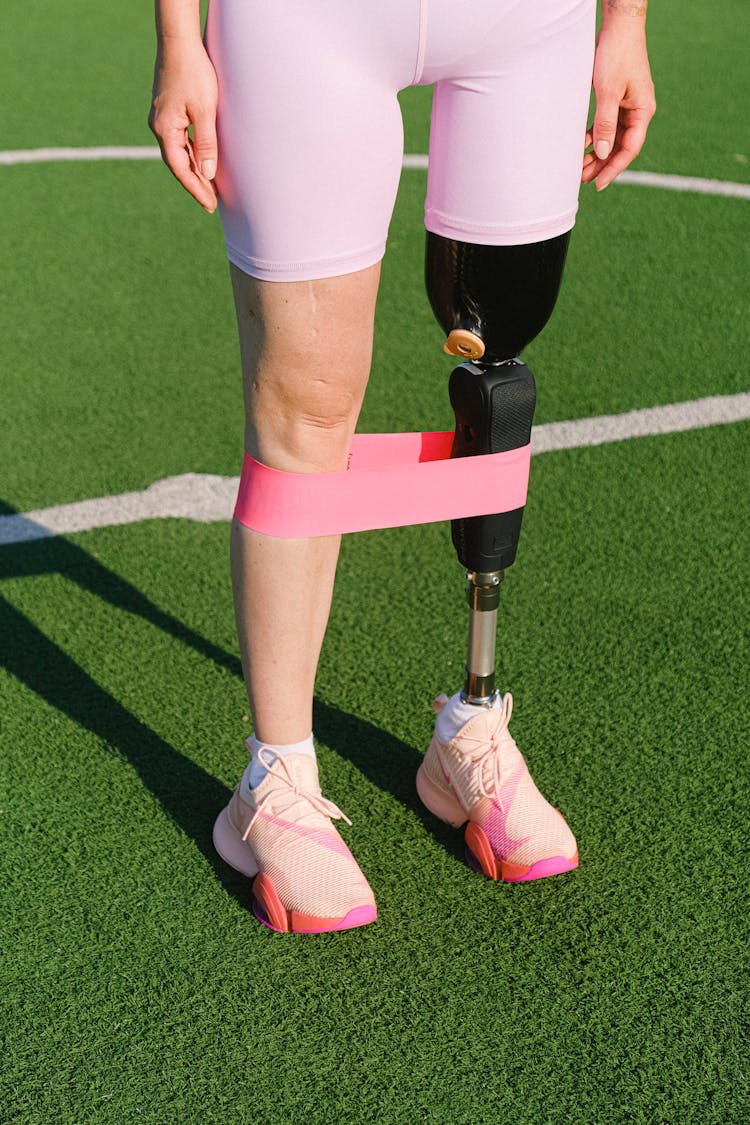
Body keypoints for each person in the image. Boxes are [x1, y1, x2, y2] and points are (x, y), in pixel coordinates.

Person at [149, 0, 655, 934]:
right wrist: (181, 38)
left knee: (499, 359)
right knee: (308, 401)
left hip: (526, 22)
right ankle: (276, 777)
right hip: (307, 21)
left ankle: (470, 724)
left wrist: (624, 23)